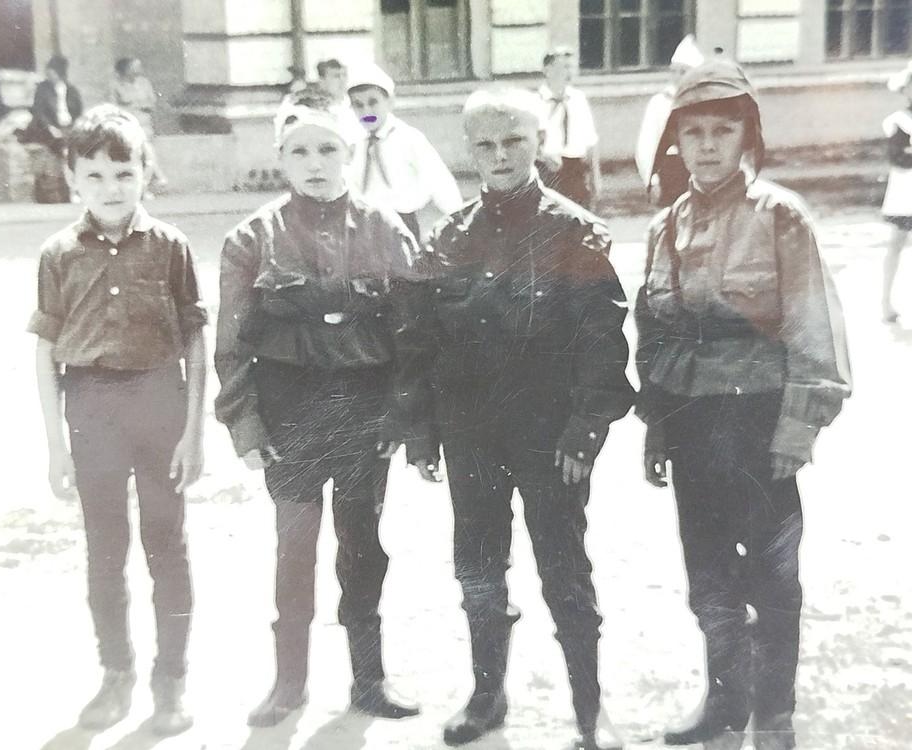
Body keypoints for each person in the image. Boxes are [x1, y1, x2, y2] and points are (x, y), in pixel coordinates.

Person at [635, 60, 852, 750]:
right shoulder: (664, 226)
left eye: (721, 131)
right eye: (692, 132)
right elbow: (657, 336)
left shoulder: (781, 215)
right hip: (694, 424)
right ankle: (726, 706)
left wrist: (797, 429)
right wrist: (658, 430)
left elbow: (815, 332)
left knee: (773, 579)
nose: (706, 145)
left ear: (746, 136)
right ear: (676, 140)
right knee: (708, 577)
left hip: (760, 422)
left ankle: (775, 718)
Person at [410, 87, 634, 750]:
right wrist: (420, 430)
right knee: (478, 571)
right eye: (486, 143)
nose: (500, 154)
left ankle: (592, 713)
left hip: (549, 437)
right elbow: (420, 342)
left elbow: (603, 344)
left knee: (565, 571)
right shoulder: (450, 236)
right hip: (471, 435)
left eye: (514, 141)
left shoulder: (572, 231)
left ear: (539, 143)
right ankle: (487, 697)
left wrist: (584, 432)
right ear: (467, 148)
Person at [213, 86, 429, 729]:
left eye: (328, 148)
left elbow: (413, 336)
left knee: (363, 547)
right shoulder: (251, 238)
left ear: (350, 149)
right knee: (295, 548)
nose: (315, 162)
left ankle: (369, 680)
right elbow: (230, 344)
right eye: (299, 150)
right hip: (290, 415)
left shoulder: (387, 229)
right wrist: (245, 423)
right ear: (281, 156)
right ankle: (290, 683)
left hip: (363, 413)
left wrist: (402, 416)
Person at [27, 104, 207, 736]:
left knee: (167, 545)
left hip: (159, 402)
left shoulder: (171, 247)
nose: (111, 188)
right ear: (73, 176)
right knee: (105, 551)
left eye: (124, 173)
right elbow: (46, 351)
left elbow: (194, 341)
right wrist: (56, 446)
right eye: (96, 175)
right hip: (91, 408)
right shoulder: (58, 254)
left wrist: (193, 431)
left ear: (145, 174)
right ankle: (117, 674)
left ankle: (171, 680)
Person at [346, 61, 462, 238]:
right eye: (358, 105)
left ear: (389, 101)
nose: (366, 111)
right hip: (363, 225)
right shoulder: (353, 141)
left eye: (373, 102)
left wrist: (457, 217)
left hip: (401, 222)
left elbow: (437, 177)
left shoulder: (408, 138)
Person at [635, 35, 705, 206]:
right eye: (673, 71)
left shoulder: (705, 103)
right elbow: (646, 145)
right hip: (671, 172)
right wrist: (652, 179)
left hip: (700, 170)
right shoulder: (660, 102)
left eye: (683, 71)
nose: (677, 76)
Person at [537, 47, 602, 208]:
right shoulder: (535, 102)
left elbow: (590, 141)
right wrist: (544, 157)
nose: (569, 72)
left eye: (571, 67)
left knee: (579, 223)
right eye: (564, 67)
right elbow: (529, 143)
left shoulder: (578, 99)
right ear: (547, 70)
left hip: (575, 171)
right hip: (548, 172)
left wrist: (596, 177)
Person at [22, 55, 83, 203]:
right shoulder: (43, 89)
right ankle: (71, 191)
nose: (49, 76)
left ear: (59, 72)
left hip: (68, 128)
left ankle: (74, 189)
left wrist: (73, 125)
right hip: (49, 129)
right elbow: (39, 112)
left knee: (75, 151)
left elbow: (78, 110)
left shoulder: (71, 89)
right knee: (65, 151)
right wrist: (51, 128)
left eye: (52, 73)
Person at [880, 60, 912, 323]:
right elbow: (898, 158)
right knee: (896, 244)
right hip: (906, 192)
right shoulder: (898, 122)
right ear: (904, 90)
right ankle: (885, 301)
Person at [111, 56, 168, 195]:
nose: (138, 70)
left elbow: (151, 103)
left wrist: (132, 105)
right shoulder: (116, 85)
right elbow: (114, 106)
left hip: (145, 124)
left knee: (145, 153)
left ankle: (150, 183)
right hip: (128, 125)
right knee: (144, 153)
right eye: (133, 67)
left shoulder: (144, 83)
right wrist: (134, 107)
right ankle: (154, 179)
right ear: (125, 70)